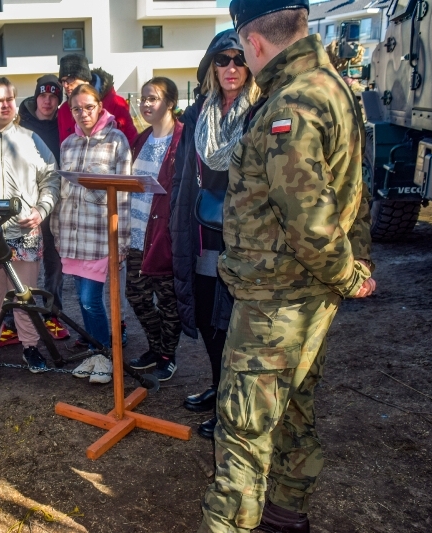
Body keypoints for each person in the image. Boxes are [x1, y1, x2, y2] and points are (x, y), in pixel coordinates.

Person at [198, 1, 376, 532]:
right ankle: (285, 512)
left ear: (253, 43)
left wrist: (348, 275)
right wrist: (356, 265)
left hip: (277, 300)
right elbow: (357, 193)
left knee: (243, 430)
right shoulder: (334, 86)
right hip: (310, 298)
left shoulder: (290, 104)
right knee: (296, 408)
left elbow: (309, 221)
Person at [170, 29, 260, 439]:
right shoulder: (197, 115)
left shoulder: (260, 112)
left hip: (243, 237)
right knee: (207, 317)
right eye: (222, 60)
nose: (231, 68)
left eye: (239, 59)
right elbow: (184, 175)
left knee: (233, 325)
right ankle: (219, 385)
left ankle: (231, 405)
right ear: (210, 67)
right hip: (202, 230)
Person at [0, 77, 60, 373]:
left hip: (26, 232)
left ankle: (30, 347)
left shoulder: (32, 140)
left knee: (26, 294)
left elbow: (51, 177)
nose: (5, 104)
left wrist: (42, 210)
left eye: (9, 98)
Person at [53, 83, 132, 384]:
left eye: (89, 106)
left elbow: (124, 194)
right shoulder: (68, 144)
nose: (83, 113)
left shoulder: (116, 141)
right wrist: (58, 232)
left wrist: (121, 240)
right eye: (77, 108)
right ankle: (94, 352)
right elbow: (63, 191)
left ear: (99, 106)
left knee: (90, 300)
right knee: (82, 299)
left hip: (100, 236)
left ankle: (105, 355)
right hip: (73, 236)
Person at [0, 74, 69, 345]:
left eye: (53, 96)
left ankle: (52, 314)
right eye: (43, 95)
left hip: (54, 202)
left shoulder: (64, 124)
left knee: (54, 262)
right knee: (18, 263)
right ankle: (12, 321)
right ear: (36, 96)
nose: (47, 100)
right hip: (23, 206)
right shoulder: (21, 123)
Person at [124, 77, 184, 383]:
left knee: (168, 300)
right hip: (137, 235)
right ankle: (155, 345)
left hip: (164, 238)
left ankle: (167, 355)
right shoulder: (140, 139)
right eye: (143, 98)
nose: (146, 104)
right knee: (136, 295)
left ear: (170, 103)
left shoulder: (183, 139)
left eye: (153, 99)